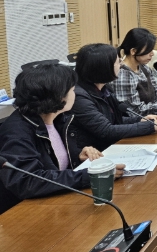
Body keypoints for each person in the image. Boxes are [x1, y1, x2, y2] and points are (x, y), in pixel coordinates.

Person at [0, 65, 125, 214]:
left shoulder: (59, 119)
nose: (75, 94)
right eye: (72, 90)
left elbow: (54, 164)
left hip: (56, 201)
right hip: (26, 212)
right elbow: (26, 181)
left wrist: (77, 156)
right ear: (59, 96)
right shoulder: (16, 131)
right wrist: (90, 176)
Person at [70, 44, 157, 155]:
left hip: (111, 147)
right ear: (104, 67)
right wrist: (152, 126)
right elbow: (106, 130)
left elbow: (113, 120)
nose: (121, 64)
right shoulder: (79, 97)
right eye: (118, 62)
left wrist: (141, 120)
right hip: (94, 155)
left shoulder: (104, 88)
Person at [112, 27, 157, 116]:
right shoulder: (124, 75)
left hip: (154, 116)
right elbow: (135, 111)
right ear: (133, 51)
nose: (152, 54)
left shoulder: (144, 67)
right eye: (148, 50)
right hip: (138, 121)